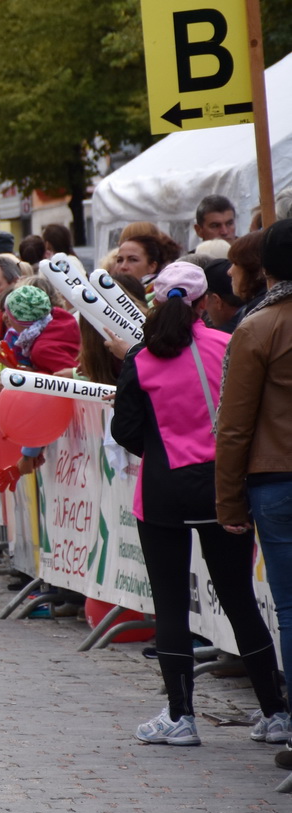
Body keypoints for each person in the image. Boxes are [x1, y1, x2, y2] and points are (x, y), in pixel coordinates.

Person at [113, 261, 288, 746]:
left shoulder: (141, 357)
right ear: (202, 301)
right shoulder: (228, 343)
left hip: (163, 489)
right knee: (238, 600)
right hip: (224, 485)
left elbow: (123, 430)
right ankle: (276, 713)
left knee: (170, 605)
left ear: (157, 300)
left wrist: (160, 448)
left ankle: (180, 717)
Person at [214, 220, 292, 760]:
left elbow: (233, 425)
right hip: (273, 479)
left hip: (275, 481)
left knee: (290, 608)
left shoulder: (258, 327)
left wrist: (227, 499)